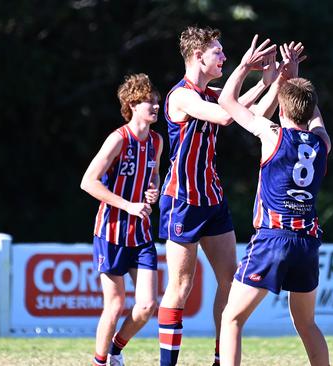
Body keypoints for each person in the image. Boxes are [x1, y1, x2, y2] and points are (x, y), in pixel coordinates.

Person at [157, 26, 279, 366]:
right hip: (182, 200)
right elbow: (227, 114)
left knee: (231, 280)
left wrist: (274, 80)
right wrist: (244, 68)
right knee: (180, 288)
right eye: (218, 53)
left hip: (211, 198)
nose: (224, 57)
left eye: (225, 54)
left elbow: (254, 115)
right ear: (198, 57)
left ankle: (219, 358)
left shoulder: (211, 93)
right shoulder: (182, 96)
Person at [217, 35, 331, 366]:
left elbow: (227, 100)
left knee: (232, 319)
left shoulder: (272, 134)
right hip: (306, 241)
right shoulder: (322, 144)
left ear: (281, 108)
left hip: (274, 239)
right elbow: (315, 119)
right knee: (306, 324)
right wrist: (294, 81)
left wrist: (244, 67)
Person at [81, 73, 163, 366]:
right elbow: (88, 182)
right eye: (148, 101)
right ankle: (100, 361)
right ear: (132, 104)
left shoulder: (156, 141)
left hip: (140, 235)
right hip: (111, 232)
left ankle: (115, 349)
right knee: (114, 305)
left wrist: (153, 191)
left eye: (156, 101)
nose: (155, 106)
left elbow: (152, 177)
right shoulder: (118, 139)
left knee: (147, 306)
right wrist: (128, 205)